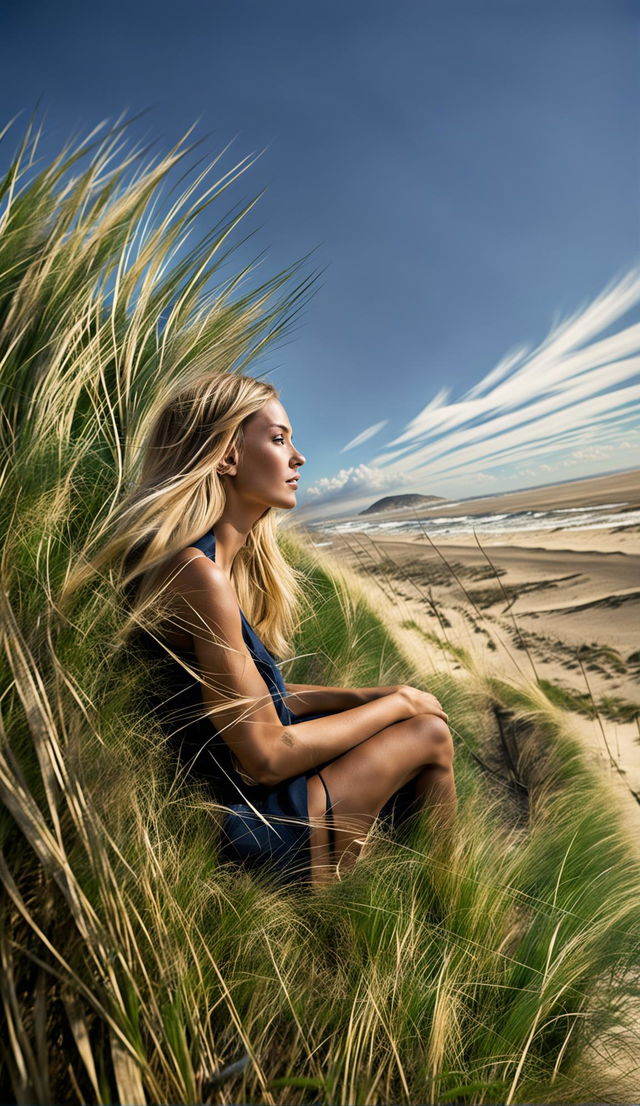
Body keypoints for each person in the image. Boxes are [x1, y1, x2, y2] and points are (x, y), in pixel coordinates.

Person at [94, 372, 456, 889]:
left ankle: (417, 888)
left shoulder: (208, 565)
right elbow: (265, 756)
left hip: (244, 809)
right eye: (279, 439)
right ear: (227, 456)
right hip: (252, 832)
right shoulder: (198, 575)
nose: (299, 458)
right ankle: (449, 896)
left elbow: (253, 703)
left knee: (405, 716)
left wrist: (365, 695)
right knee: (429, 733)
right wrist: (397, 705)